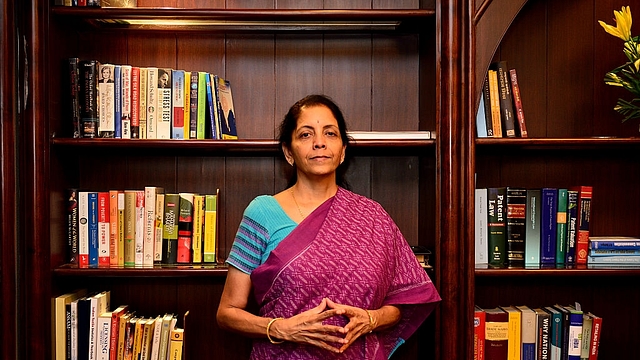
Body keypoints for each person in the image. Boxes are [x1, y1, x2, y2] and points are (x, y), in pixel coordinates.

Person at [216, 94, 440, 359]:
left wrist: (371, 318)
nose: (319, 143)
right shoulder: (262, 213)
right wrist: (282, 328)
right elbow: (227, 313)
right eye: (306, 135)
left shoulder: (372, 217)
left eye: (330, 134)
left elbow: (401, 303)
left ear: (343, 150)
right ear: (289, 152)